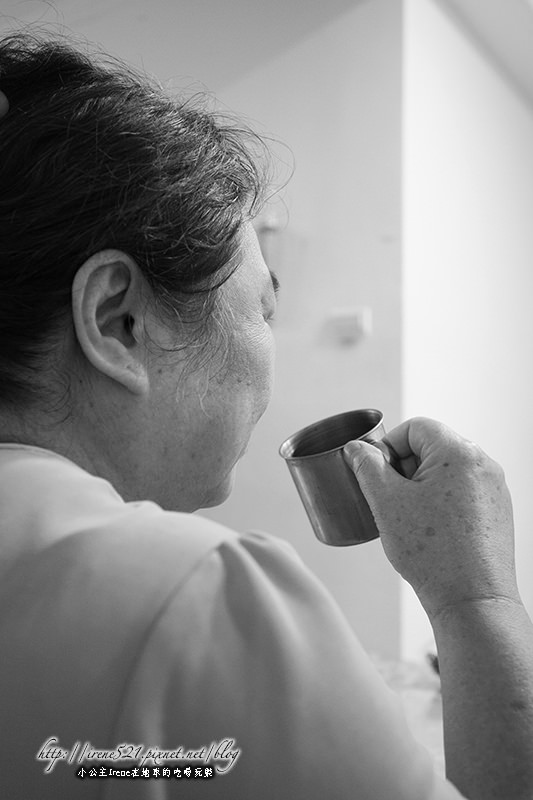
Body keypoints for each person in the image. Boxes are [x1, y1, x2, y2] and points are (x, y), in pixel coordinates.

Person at [0, 32, 531, 800]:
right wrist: (476, 599)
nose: (269, 356)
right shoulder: (199, 598)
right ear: (119, 321)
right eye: (263, 309)